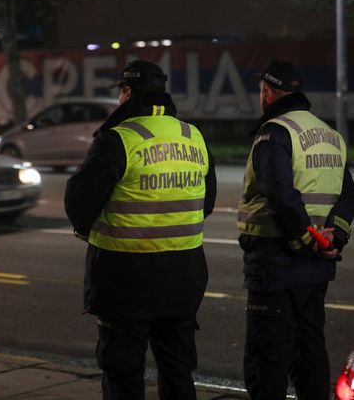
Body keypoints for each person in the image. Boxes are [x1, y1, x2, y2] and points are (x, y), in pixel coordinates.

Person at [64, 60, 217, 399]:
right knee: (177, 370)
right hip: (184, 275)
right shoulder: (194, 136)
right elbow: (207, 203)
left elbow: (79, 200)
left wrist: (88, 231)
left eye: (121, 92)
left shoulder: (119, 139)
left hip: (125, 278)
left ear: (128, 92)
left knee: (123, 374)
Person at [238, 59, 354, 399]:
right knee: (308, 350)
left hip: (276, 261)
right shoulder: (330, 135)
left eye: (261, 91)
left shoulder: (274, 132)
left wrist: (306, 239)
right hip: (317, 264)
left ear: (268, 92)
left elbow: (280, 195)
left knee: (266, 358)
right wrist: (336, 236)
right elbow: (348, 193)